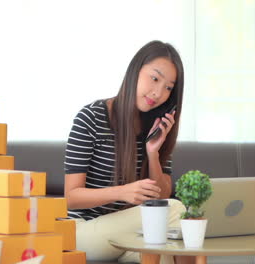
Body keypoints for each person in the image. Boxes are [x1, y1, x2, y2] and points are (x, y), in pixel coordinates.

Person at [64, 40, 192, 263]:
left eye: (168, 87)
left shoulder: (157, 129)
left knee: (162, 256)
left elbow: (161, 194)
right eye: (154, 78)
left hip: (129, 235)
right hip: (83, 232)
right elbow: (70, 197)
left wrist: (153, 153)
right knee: (175, 210)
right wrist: (121, 192)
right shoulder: (91, 117)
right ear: (135, 70)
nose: (158, 92)